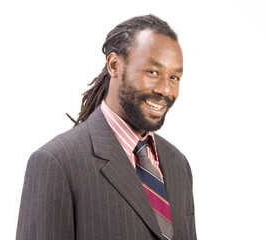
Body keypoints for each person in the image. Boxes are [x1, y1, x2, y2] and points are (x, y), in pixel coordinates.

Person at [16, 14, 196, 240]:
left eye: (174, 77)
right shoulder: (58, 162)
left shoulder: (177, 164)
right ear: (114, 65)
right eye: (153, 72)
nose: (166, 90)